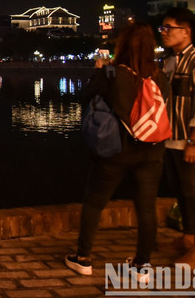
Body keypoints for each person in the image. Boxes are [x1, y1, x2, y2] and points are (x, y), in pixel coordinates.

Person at [65, 21, 170, 276]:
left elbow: (86, 96)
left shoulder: (112, 74)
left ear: (122, 45)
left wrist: (98, 71)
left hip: (115, 150)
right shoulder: (161, 77)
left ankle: (83, 258)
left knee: (95, 201)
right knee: (146, 208)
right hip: (151, 151)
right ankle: (142, 265)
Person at [159, 7, 195, 267]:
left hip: (188, 140)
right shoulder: (169, 61)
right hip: (170, 137)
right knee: (180, 190)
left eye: (168, 28)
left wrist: (194, 142)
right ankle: (189, 237)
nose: (164, 33)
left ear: (186, 31)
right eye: (162, 28)